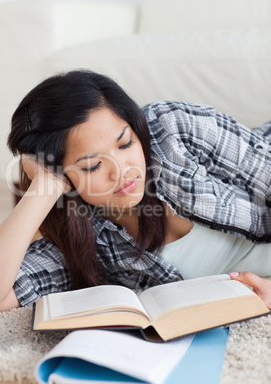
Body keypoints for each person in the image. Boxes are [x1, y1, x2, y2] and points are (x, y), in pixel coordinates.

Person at [1, 69, 271, 312]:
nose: (121, 171)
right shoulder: (85, 242)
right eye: (93, 166)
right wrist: (43, 189)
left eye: (126, 143)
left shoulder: (173, 129)